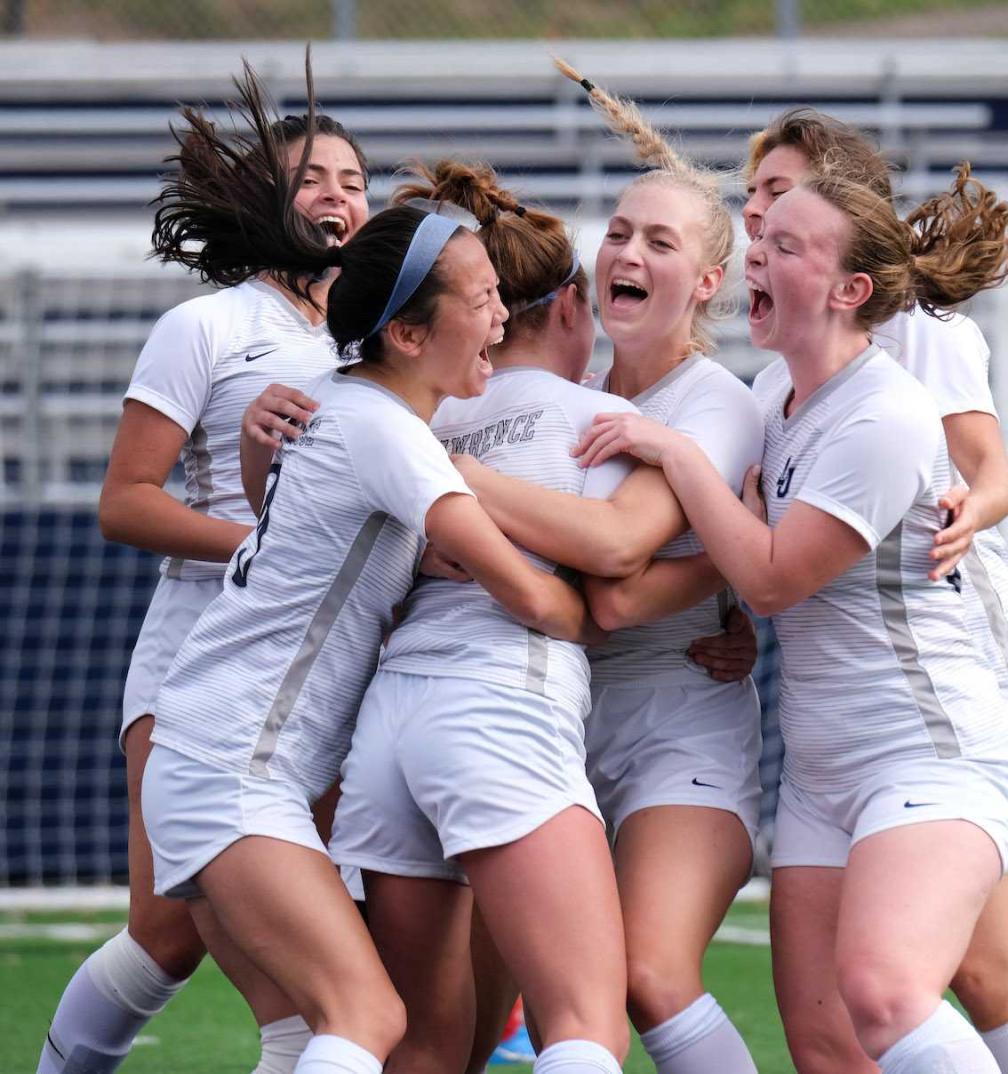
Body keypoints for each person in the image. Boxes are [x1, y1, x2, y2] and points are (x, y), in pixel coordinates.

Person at [133, 68, 594, 1074]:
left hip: (224, 764)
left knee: (311, 1034)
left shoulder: (351, 406)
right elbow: (529, 593)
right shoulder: (392, 434)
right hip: (230, 771)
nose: (505, 319)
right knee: (367, 1020)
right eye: (481, 301)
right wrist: (638, 603)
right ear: (409, 334)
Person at [575, 166, 1008, 1073]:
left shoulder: (888, 412)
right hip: (821, 768)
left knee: (888, 993)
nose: (758, 256)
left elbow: (778, 578)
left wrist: (677, 454)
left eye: (786, 246)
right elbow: (758, 571)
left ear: (848, 290)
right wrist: (728, 610)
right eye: (761, 239)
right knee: (827, 1043)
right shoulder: (779, 403)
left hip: (924, 747)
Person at [742, 107, 1008, 1074]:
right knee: (847, 1015)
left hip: (967, 659)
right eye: (751, 201)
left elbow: (993, 472)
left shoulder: (910, 335)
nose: (756, 218)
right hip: (847, 698)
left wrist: (964, 512)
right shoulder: (785, 373)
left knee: (973, 971)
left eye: (779, 195)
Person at [38, 86, 371, 1074]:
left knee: (313, 980)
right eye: (312, 176)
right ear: (262, 199)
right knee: (172, 936)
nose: (337, 194)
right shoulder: (210, 328)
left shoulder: (371, 343)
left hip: (325, 677)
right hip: (199, 661)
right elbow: (125, 500)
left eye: (353, 180)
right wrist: (262, 548)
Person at [446, 61, 767, 1074]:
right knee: (511, 1012)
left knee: (646, 977)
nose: (625, 251)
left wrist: (448, 483)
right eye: (620, 232)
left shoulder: (713, 402)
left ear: (707, 282)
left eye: (658, 242)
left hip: (682, 719)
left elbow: (619, 582)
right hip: (558, 720)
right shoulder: (565, 384)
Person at [326, 160, 631, 1074]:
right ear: (571, 307)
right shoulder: (603, 418)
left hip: (386, 722)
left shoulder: (419, 408)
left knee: (425, 1043)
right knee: (583, 1021)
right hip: (501, 698)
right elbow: (616, 565)